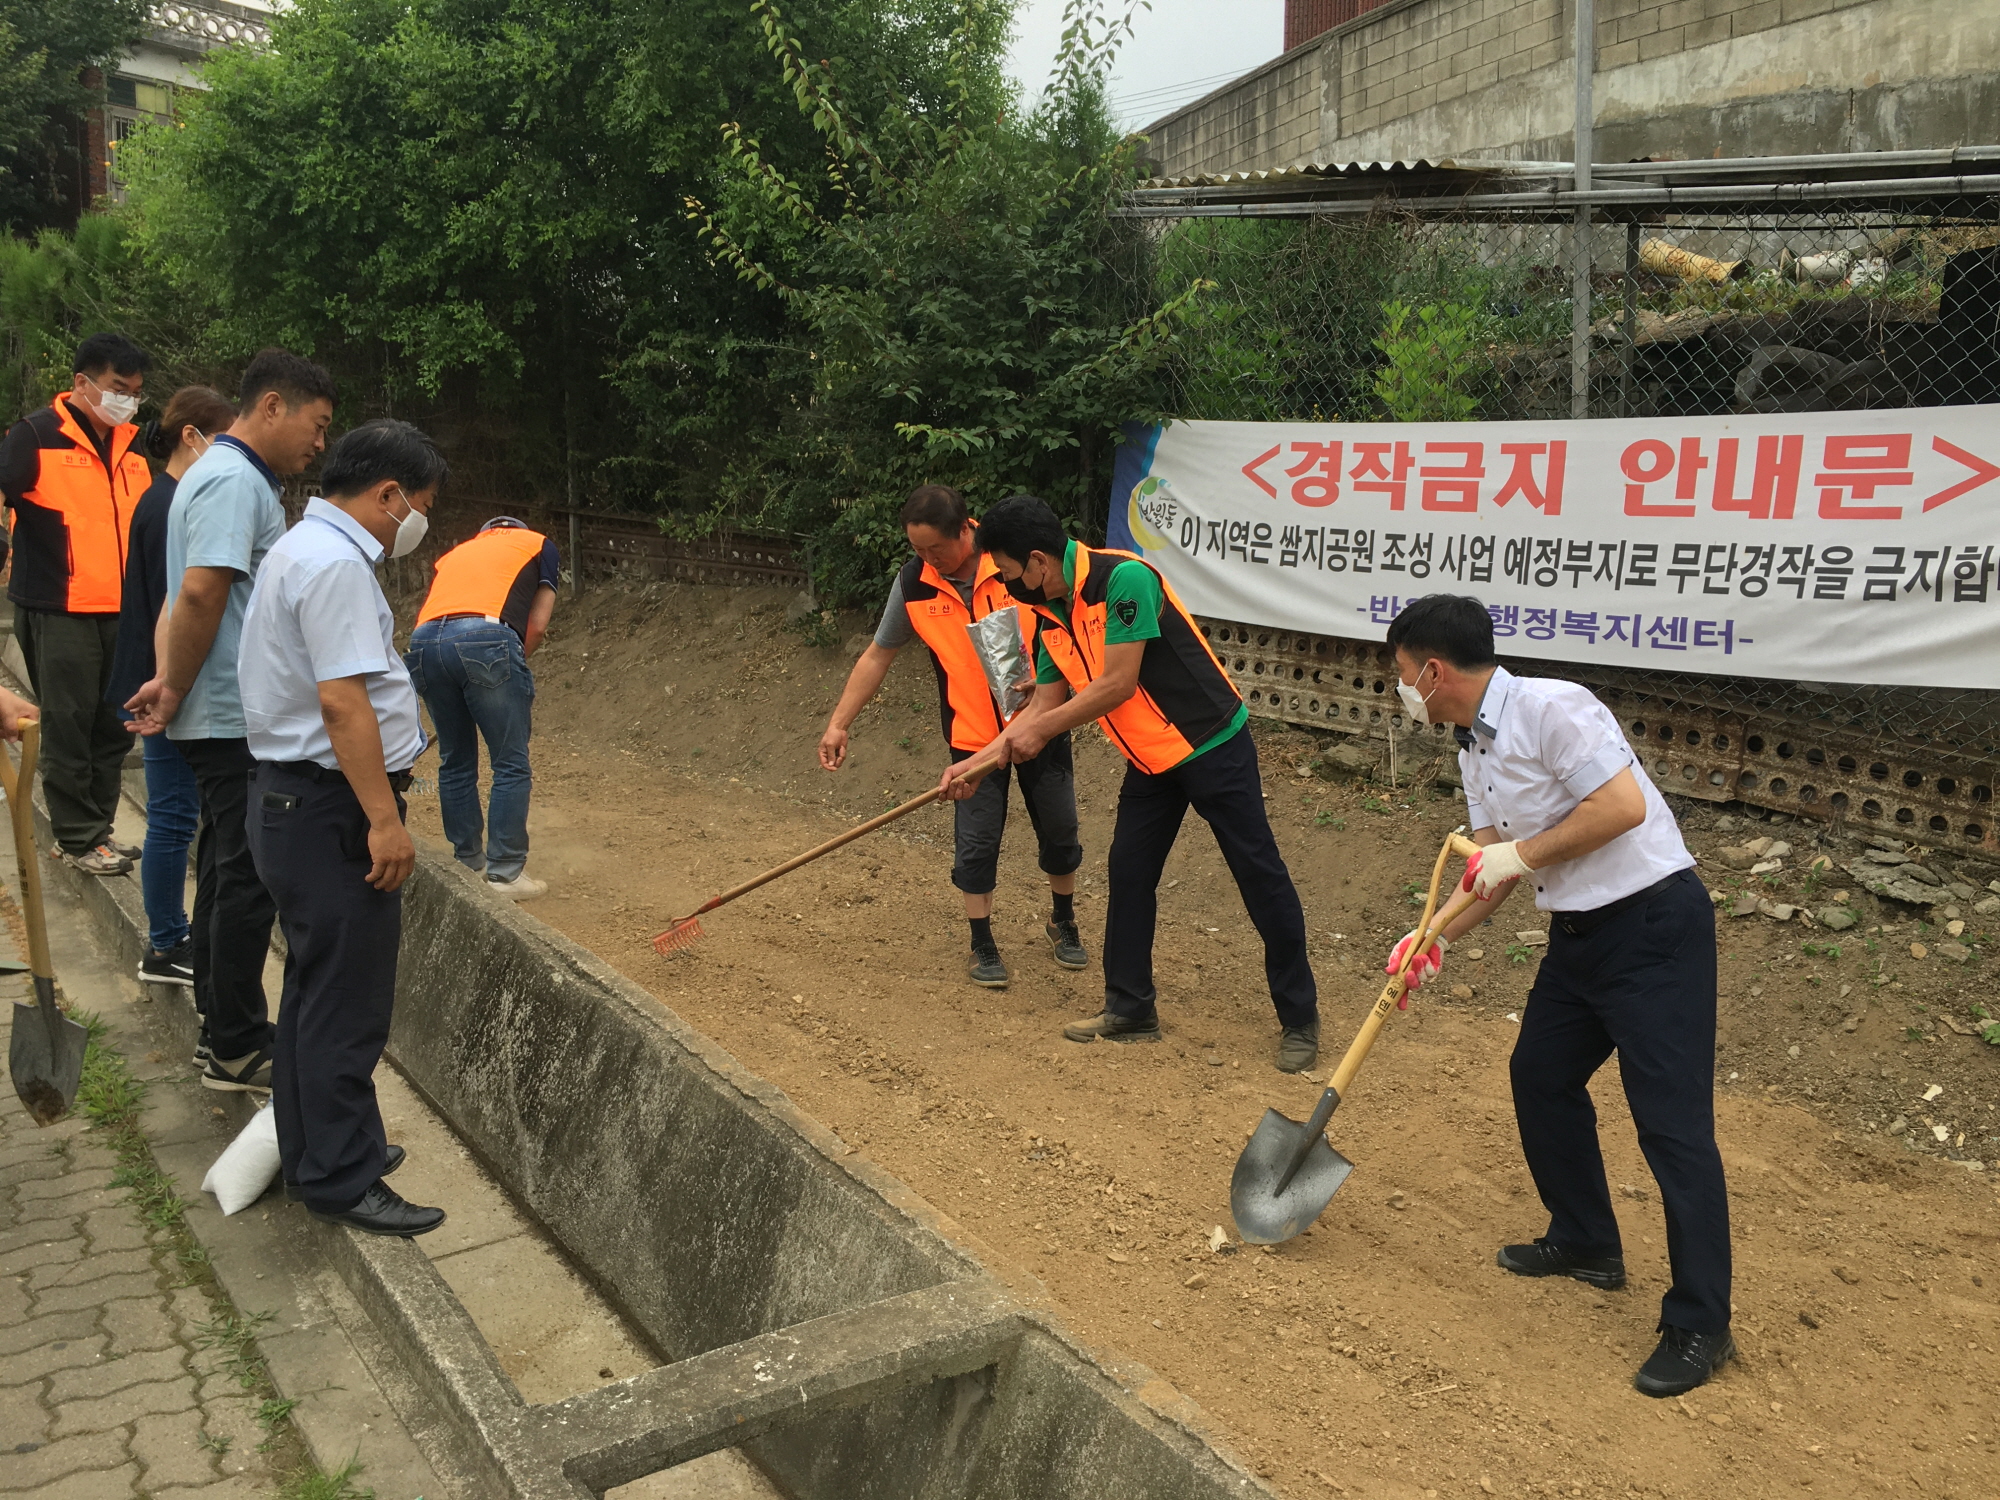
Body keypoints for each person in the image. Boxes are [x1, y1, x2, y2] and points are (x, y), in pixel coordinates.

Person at [1377, 594, 1732, 1398]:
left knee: (1672, 1127)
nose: (1400, 690)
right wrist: (1430, 938)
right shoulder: (1474, 749)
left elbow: (1621, 807)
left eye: (1401, 673)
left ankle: (1701, 1324)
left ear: (1433, 671)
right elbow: (1492, 868)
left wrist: (1523, 854)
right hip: (1579, 937)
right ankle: (1586, 1240)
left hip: (1654, 928)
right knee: (1539, 1073)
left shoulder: (1554, 709)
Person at [941, 494, 1320, 1072]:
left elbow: (1116, 684)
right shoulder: (1048, 614)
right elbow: (1040, 707)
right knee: (1129, 872)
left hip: (1210, 743)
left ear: (1038, 562)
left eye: (1012, 573)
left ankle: (1300, 1017)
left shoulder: (1124, 580)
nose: (1010, 586)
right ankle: (1130, 1008)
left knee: (1257, 872)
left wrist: (1039, 733)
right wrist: (976, 764)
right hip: (1149, 760)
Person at [240, 418, 444, 1237]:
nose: (418, 522)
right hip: (331, 809)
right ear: (389, 493)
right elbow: (341, 703)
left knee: (315, 989)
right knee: (347, 1004)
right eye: (420, 505)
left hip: (295, 802)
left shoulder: (301, 549)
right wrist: (383, 821)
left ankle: (322, 1144)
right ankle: (339, 1177)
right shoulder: (333, 565)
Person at [126, 349, 337, 1094]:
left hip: (219, 706)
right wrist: (176, 687)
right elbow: (198, 594)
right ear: (273, 406)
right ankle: (238, 1045)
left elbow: (182, 596)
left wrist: (168, 680)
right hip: (228, 712)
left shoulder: (223, 475)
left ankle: (221, 1028)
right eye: (316, 424)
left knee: (224, 868)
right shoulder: (232, 480)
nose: (320, 443)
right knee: (248, 876)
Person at [822, 485, 1085, 987]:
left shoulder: (1012, 563)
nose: (928, 560)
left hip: (1039, 726)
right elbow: (878, 654)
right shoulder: (914, 585)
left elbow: (1070, 630)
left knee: (1060, 827)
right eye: (917, 549)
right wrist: (839, 722)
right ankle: (981, 940)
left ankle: (1063, 920)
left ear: (966, 529)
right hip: (972, 738)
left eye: (936, 549)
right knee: (976, 842)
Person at [0, 332, 155, 875]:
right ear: (81, 382)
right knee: (69, 725)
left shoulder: (132, 446)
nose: (127, 400)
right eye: (118, 388)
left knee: (113, 727)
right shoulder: (35, 436)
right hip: (58, 606)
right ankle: (76, 837)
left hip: (122, 610)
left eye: (135, 392)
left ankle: (98, 831)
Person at [108, 386, 237, 990]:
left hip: (155, 677)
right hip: (161, 683)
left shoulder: (160, 498)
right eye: (224, 439)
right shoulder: (173, 505)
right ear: (192, 436)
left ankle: (169, 938)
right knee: (174, 816)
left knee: (176, 813)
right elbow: (178, 606)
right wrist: (171, 686)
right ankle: (165, 941)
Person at [404, 516, 559, 899]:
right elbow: (538, 625)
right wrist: (509, 662)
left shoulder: (458, 552)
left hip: (424, 642)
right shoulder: (538, 544)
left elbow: (444, 612)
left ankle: (468, 866)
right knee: (509, 762)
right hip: (486, 636)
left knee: (455, 761)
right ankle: (506, 874)